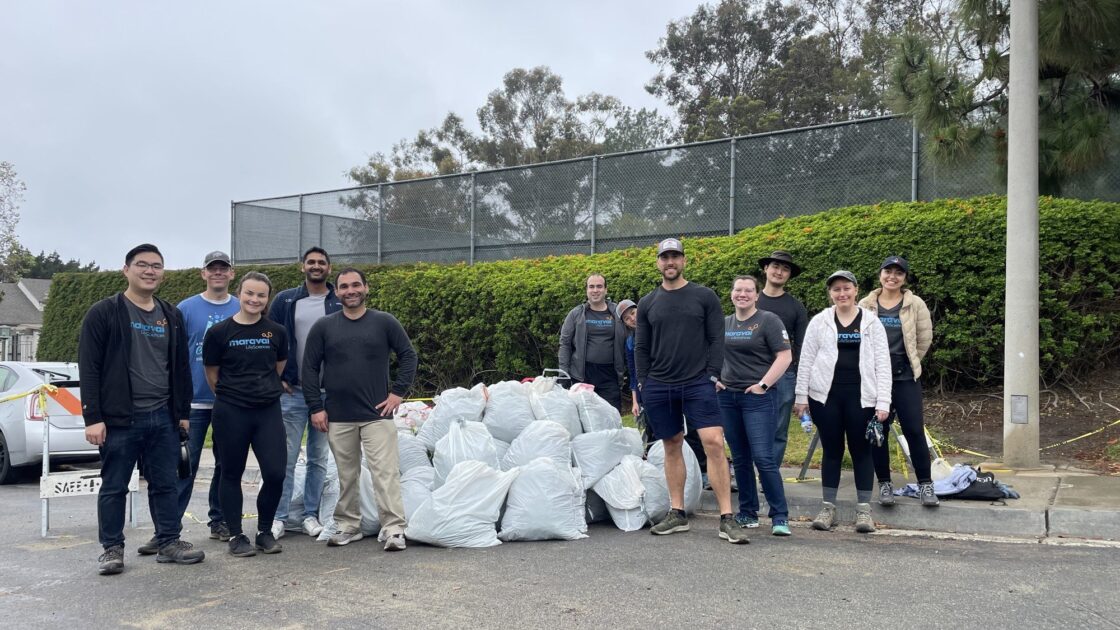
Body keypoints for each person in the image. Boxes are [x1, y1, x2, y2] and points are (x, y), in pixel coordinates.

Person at [80, 243, 205, 575]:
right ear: (126, 270)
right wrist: (93, 417)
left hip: (162, 417)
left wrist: (182, 413)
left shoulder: (171, 315)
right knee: (114, 486)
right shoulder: (104, 312)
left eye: (157, 266)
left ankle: (168, 541)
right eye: (143, 265)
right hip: (121, 419)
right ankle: (111, 549)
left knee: (166, 484)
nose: (150, 271)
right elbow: (89, 368)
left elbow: (180, 367)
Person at [635, 238, 747, 543]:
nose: (670, 262)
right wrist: (643, 381)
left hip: (698, 383)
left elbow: (716, 339)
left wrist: (712, 374)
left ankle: (727, 518)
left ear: (684, 261)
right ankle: (678, 513)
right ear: (658, 263)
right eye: (664, 258)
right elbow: (642, 346)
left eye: (675, 257)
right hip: (659, 384)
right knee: (672, 444)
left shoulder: (704, 296)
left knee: (713, 442)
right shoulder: (647, 303)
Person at [303, 268, 417, 550]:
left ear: (366, 288)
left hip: (377, 415)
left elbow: (408, 355)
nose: (350, 290)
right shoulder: (324, 326)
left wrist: (398, 394)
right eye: (344, 286)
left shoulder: (384, 322)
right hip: (338, 417)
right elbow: (309, 367)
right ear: (337, 292)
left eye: (356, 285)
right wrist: (316, 407)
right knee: (346, 476)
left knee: (385, 473)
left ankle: (393, 529)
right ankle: (348, 526)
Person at [794, 270, 892, 534]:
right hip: (826, 398)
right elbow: (806, 360)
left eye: (846, 288)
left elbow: (883, 364)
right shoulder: (820, 321)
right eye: (836, 289)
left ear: (856, 290)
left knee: (862, 451)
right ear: (830, 294)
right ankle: (828, 508)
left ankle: (863, 511)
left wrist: (883, 402)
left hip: (862, 398)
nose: (842, 294)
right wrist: (801, 397)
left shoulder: (871, 322)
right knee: (832, 451)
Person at [203, 272, 289, 557]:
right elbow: (212, 375)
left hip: (267, 412)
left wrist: (261, 391)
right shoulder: (218, 333)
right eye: (249, 293)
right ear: (239, 294)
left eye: (261, 295)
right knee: (230, 473)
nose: (254, 299)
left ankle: (264, 532)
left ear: (267, 299)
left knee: (276, 473)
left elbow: (278, 368)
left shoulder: (276, 332)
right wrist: (235, 395)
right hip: (231, 412)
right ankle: (236, 535)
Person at [268, 246, 341, 540]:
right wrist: (276, 379)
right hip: (293, 392)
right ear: (302, 267)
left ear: (329, 268)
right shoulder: (285, 300)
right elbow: (268, 338)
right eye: (311, 262)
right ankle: (279, 517)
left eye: (321, 262)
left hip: (328, 393)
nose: (316, 266)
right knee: (285, 457)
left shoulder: (339, 300)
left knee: (318, 457)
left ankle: (310, 515)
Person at [716, 275, 794, 536]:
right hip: (728, 397)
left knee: (763, 457)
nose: (743, 294)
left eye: (749, 290)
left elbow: (785, 356)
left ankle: (779, 516)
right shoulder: (724, 323)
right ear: (731, 294)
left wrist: (763, 385)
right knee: (740, 458)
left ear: (756, 296)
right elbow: (709, 354)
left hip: (758, 399)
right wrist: (715, 379)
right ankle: (747, 513)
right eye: (738, 290)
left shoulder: (768, 320)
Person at [858, 256, 938, 507]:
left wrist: (910, 361)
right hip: (874, 378)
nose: (892, 277)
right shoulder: (865, 304)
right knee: (878, 431)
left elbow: (924, 339)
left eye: (898, 273)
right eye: (887, 271)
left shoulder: (915, 304)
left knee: (914, 430)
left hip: (905, 376)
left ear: (905, 278)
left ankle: (926, 484)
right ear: (880, 274)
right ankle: (884, 485)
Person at [173, 250, 240, 544]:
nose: (218, 273)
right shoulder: (185, 309)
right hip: (193, 403)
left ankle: (220, 521)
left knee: (226, 465)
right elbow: (172, 356)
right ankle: (168, 529)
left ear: (231, 274)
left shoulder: (242, 306)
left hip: (230, 402)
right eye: (212, 269)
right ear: (203, 274)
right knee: (185, 465)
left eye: (223, 268)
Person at [756, 250, 808, 468]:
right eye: (775, 266)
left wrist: (798, 379)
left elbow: (802, 346)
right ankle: (749, 474)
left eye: (785, 268)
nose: (779, 272)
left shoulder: (796, 307)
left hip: (784, 376)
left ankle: (770, 476)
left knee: (778, 430)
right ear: (766, 269)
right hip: (750, 372)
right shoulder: (752, 298)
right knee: (750, 427)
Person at [558, 274, 628, 410]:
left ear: (606, 290)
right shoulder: (576, 314)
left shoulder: (617, 313)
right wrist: (563, 374)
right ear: (586, 290)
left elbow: (632, 332)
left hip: (609, 375)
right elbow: (565, 344)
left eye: (599, 286)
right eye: (591, 287)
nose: (595, 290)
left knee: (612, 418)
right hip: (582, 375)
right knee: (585, 420)